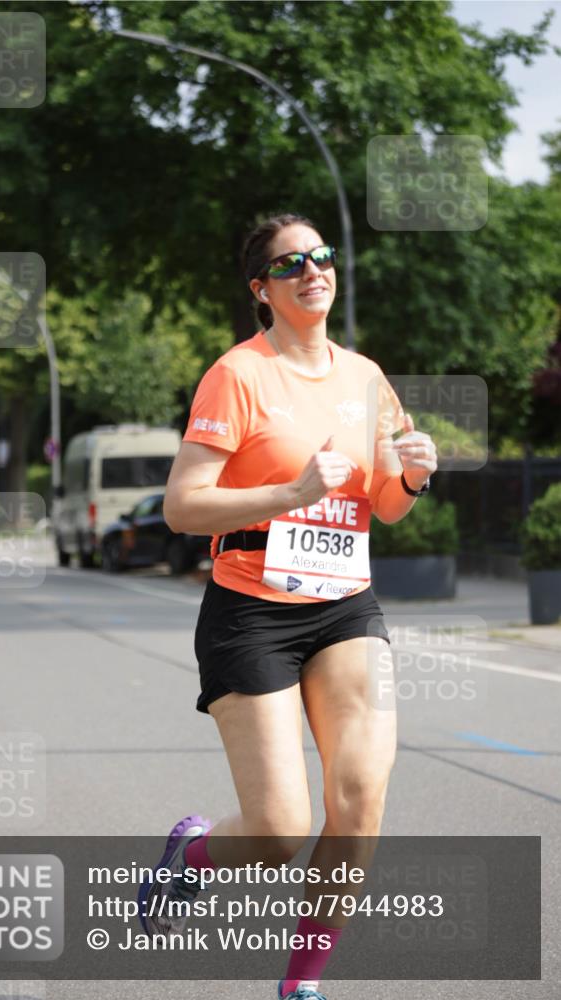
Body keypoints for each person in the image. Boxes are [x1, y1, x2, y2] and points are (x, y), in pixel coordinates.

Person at [138, 213, 438, 999]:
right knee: (276, 832)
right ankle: (192, 854)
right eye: (290, 263)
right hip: (251, 610)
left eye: (322, 257)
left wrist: (409, 474)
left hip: (345, 607)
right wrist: (291, 492)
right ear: (260, 290)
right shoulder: (237, 375)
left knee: (360, 795)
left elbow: (383, 502)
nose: (313, 270)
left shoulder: (366, 378)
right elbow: (180, 506)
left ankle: (301, 983)